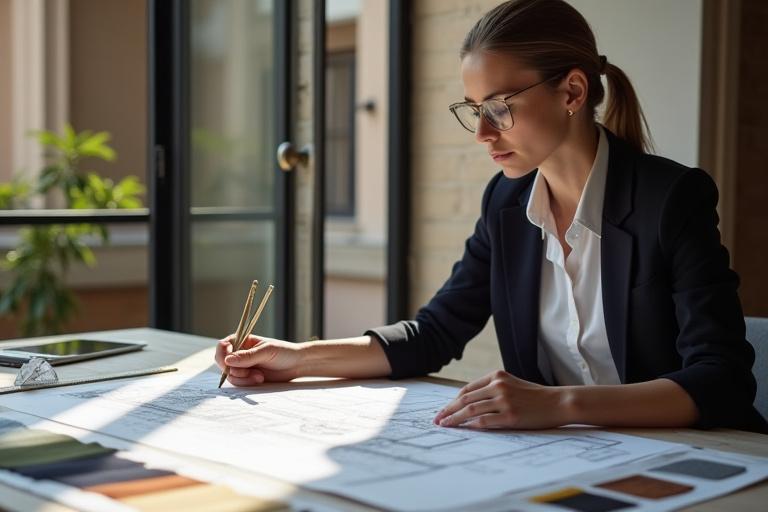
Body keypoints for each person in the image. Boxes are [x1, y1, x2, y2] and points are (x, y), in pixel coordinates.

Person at [215, 0, 767, 433]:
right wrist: (297, 358)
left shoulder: (671, 199)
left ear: (572, 91)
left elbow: (720, 381)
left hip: (695, 459)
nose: (482, 133)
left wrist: (558, 405)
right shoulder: (506, 204)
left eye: (500, 108)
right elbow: (433, 333)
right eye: (475, 110)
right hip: (575, 459)